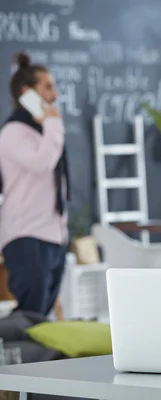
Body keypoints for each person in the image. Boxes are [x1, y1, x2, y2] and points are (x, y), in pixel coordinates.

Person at [0, 52, 69, 316]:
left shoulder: (42, 132)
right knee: (30, 316)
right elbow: (43, 162)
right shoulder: (13, 132)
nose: (55, 95)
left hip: (53, 233)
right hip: (26, 234)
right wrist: (52, 121)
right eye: (48, 87)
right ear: (27, 93)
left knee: (41, 317)